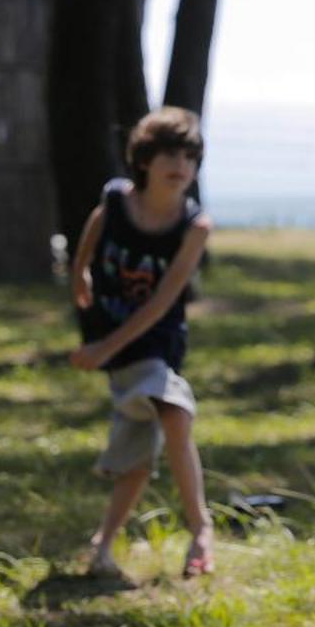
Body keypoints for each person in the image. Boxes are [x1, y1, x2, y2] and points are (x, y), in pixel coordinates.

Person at [67, 107, 216, 581]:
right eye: (170, 154)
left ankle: (201, 529)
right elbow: (92, 229)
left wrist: (104, 350)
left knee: (174, 411)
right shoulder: (117, 201)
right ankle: (103, 546)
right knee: (138, 452)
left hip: (154, 339)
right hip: (110, 330)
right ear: (145, 159)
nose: (181, 165)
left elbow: (165, 300)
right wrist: (80, 274)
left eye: (190, 156)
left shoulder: (194, 228)